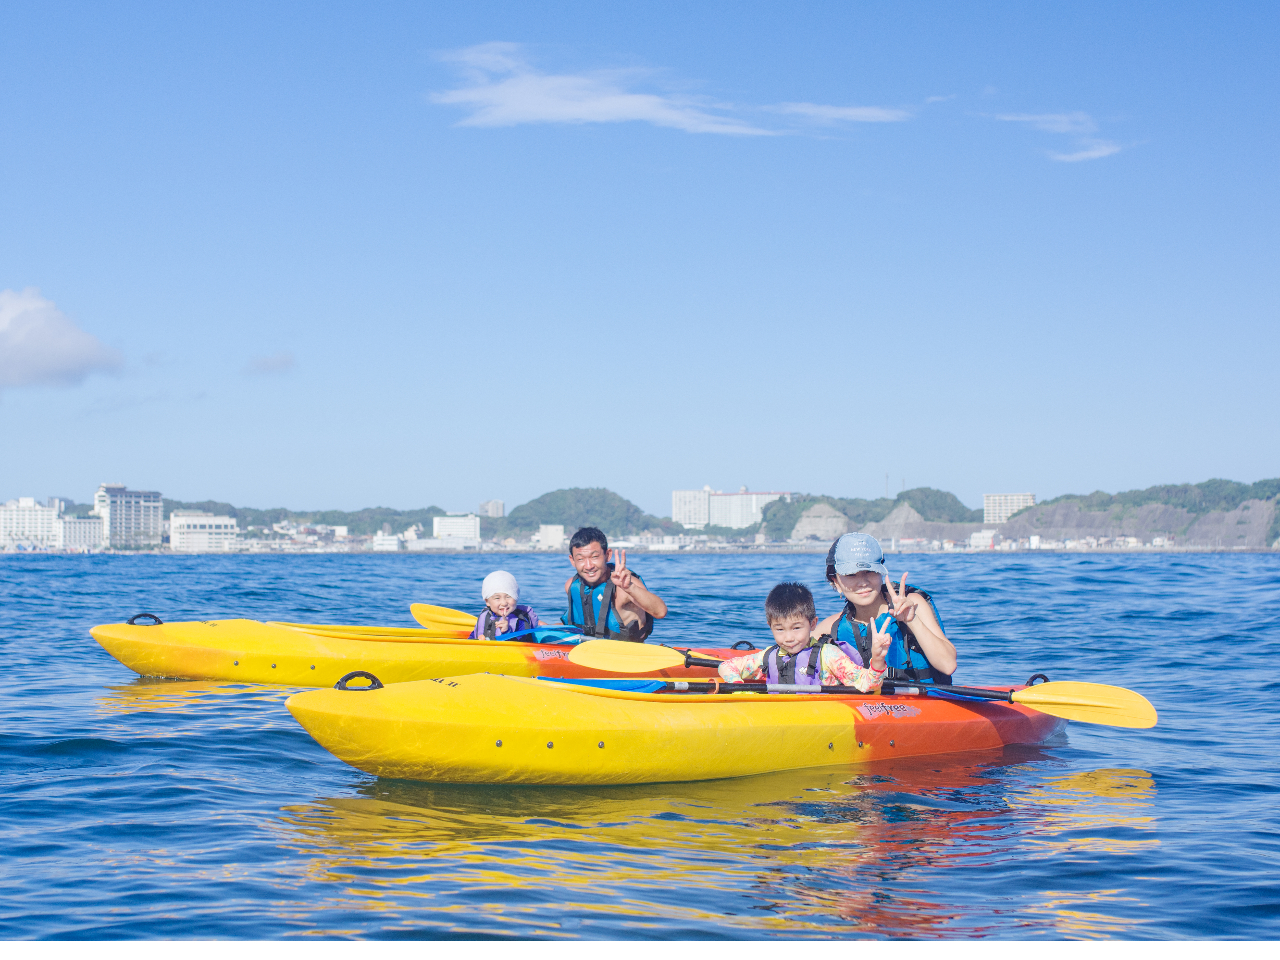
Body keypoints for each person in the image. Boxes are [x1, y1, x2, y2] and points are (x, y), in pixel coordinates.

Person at [814, 533, 957, 684]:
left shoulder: (912, 604)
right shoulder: (830, 627)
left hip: (923, 702)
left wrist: (912, 620)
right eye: (851, 574)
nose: (863, 582)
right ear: (835, 582)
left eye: (870, 571)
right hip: (862, 706)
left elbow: (948, 666)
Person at [717, 582, 889, 690]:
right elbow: (726, 666)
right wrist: (740, 691)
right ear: (770, 627)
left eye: (796, 627)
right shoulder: (769, 656)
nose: (789, 638)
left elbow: (868, 684)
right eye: (780, 630)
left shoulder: (828, 655)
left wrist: (877, 659)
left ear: (813, 624)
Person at [562, 526, 667, 642]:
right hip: (588, 653)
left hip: (628, 654)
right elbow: (573, 628)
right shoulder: (571, 586)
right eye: (581, 559)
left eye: (594, 557)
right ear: (572, 560)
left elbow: (660, 612)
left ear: (607, 555)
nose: (588, 566)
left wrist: (630, 588)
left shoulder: (624, 586)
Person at [470, 570, 540, 640]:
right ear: (487, 601)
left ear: (516, 598)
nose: (504, 603)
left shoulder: (520, 620)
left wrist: (506, 631)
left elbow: (522, 643)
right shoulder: (484, 616)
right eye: (497, 598)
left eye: (508, 597)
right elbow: (473, 635)